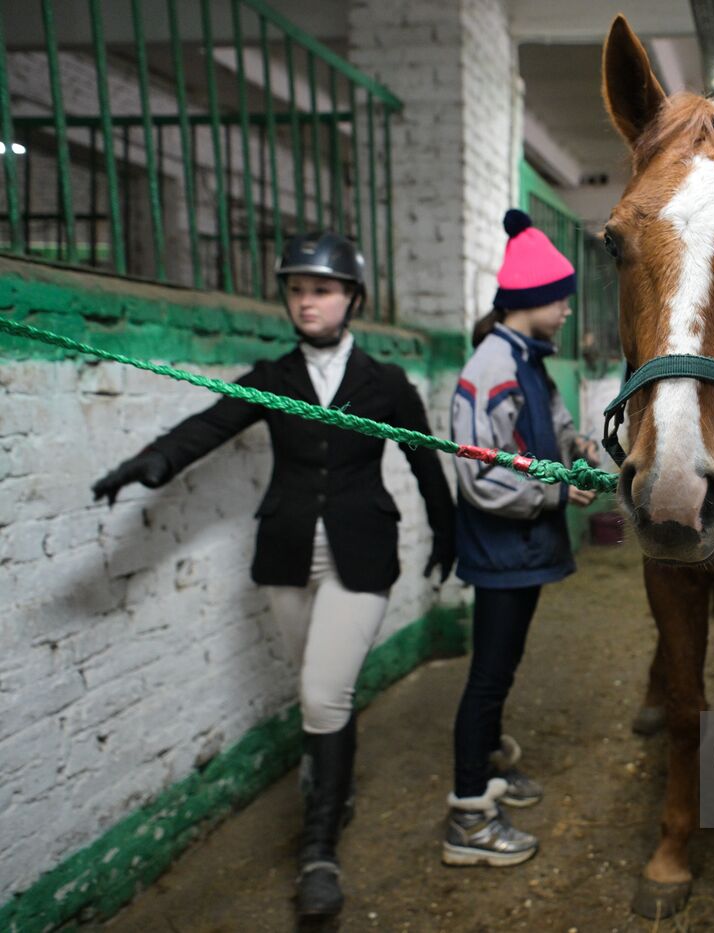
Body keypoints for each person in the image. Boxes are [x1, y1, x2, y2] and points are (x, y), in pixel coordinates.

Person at [91, 232, 456, 918]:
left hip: (361, 554)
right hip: (287, 554)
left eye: (320, 289)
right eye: (295, 289)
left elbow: (424, 460)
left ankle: (318, 850)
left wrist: (447, 529)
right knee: (321, 693)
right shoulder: (272, 377)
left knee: (322, 694)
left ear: (352, 298)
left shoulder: (387, 383)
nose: (306, 301)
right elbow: (210, 423)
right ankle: (333, 781)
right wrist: (153, 462)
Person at [443, 209, 599, 867]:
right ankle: (469, 817)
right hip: (501, 552)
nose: (566, 309)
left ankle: (488, 770)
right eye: (560, 297)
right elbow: (481, 479)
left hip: (524, 552)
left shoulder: (530, 363)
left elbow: (558, 431)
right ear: (531, 299)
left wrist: (586, 449)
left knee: (500, 670)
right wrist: (559, 491)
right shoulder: (490, 368)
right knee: (486, 677)